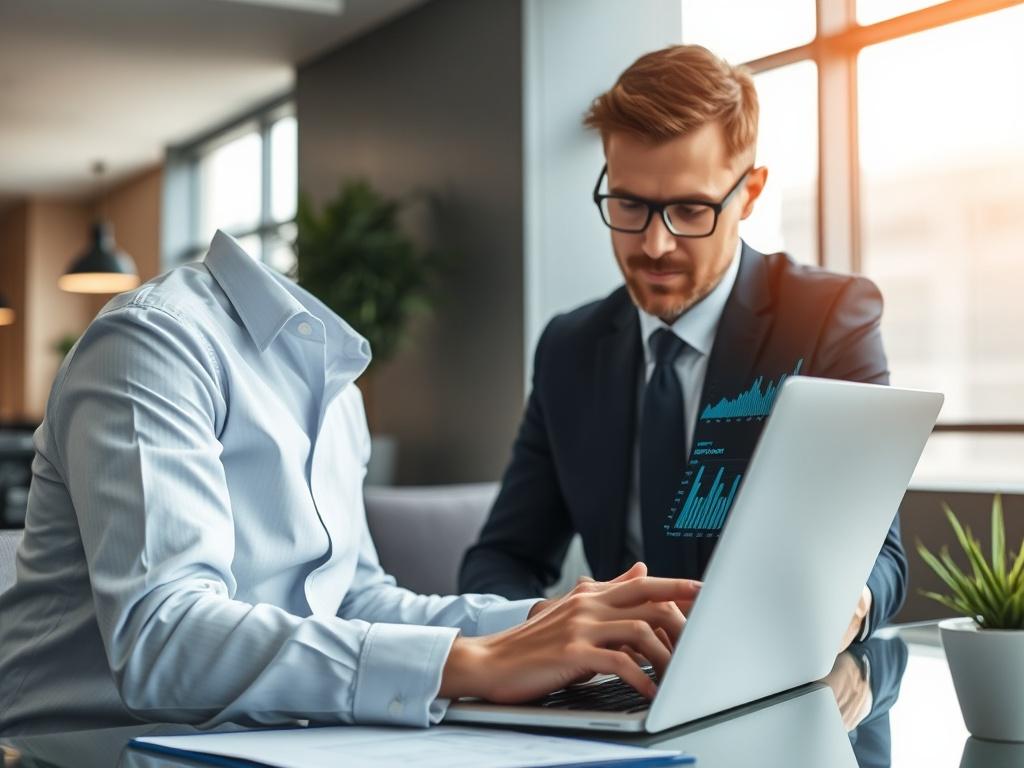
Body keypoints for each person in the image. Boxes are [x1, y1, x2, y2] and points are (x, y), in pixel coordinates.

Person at [0, 231, 700, 736]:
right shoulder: (153, 343)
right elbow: (164, 637)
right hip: (76, 748)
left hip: (260, 743)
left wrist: (541, 627)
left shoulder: (335, 387)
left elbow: (356, 597)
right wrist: (467, 662)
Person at [459, 44, 906, 650]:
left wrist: (847, 608)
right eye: (629, 205)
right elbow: (503, 557)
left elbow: (880, 554)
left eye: (690, 209)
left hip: (778, 677)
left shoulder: (827, 320)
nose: (655, 245)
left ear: (749, 193)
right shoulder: (570, 347)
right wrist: (549, 629)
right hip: (619, 686)